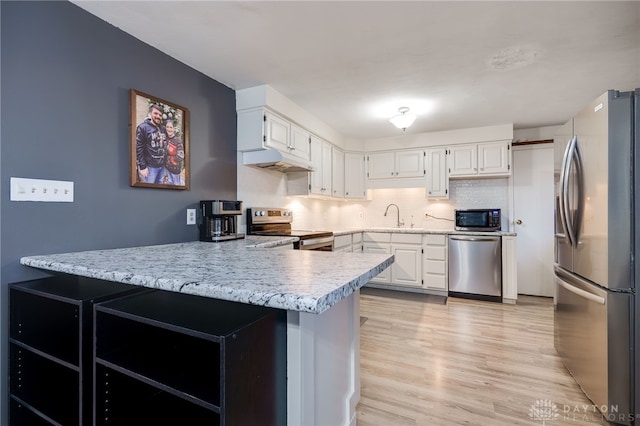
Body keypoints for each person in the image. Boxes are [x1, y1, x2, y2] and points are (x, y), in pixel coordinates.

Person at [136, 103, 167, 184]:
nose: (158, 116)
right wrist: (142, 166)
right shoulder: (143, 127)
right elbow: (139, 147)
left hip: (162, 166)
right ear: (150, 114)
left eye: (160, 115)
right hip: (150, 168)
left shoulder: (162, 129)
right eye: (155, 113)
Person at [164, 119, 185, 185]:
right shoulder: (165, 139)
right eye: (167, 127)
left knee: (176, 185)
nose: (169, 129)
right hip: (166, 169)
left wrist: (169, 159)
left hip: (175, 170)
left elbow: (181, 156)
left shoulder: (178, 140)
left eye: (171, 127)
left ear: (173, 128)